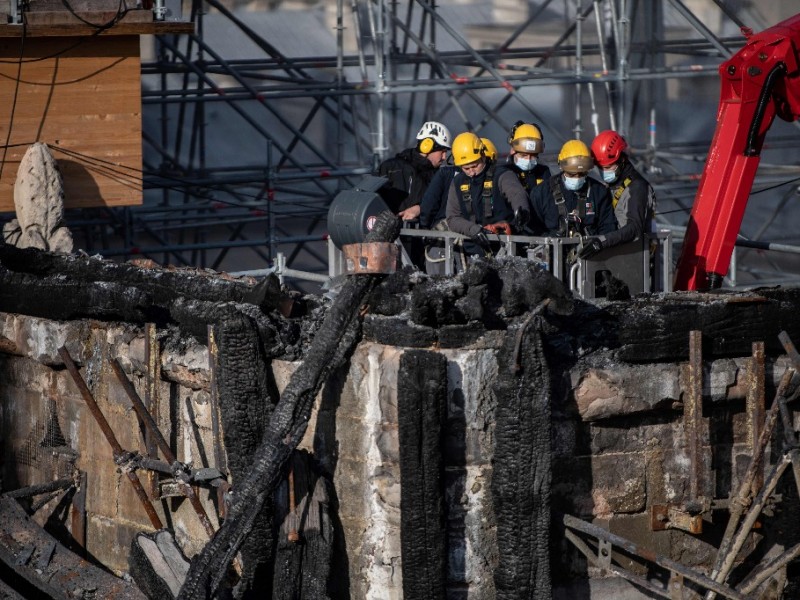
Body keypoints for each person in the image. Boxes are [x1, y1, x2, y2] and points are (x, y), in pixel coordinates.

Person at [445, 132, 530, 260]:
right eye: (466, 168)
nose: (471, 172)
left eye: (475, 166)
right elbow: (452, 217)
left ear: (483, 156)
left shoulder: (502, 175)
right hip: (473, 252)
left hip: (506, 250)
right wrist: (473, 230)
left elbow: (516, 194)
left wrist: (522, 210)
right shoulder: (457, 183)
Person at [419, 137, 498, 274]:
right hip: (464, 242)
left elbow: (428, 206)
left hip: (445, 241)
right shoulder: (487, 180)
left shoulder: (446, 174)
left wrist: (425, 228)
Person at [578, 130, 657, 259]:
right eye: (600, 167)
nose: (604, 172)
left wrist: (602, 242)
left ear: (621, 159)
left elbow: (634, 228)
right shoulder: (611, 186)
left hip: (635, 259)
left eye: (608, 167)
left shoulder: (637, 187)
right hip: (614, 257)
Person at [529, 139, 616, 239]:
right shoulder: (541, 193)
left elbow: (608, 227)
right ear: (561, 167)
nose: (577, 178)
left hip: (590, 252)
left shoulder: (599, 192)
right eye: (572, 174)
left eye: (582, 174)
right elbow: (532, 230)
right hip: (550, 251)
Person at [375, 120, 452, 218]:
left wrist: (421, 209)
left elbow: (447, 207)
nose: (444, 157)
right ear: (427, 146)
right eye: (442, 152)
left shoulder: (441, 176)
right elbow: (369, 199)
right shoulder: (390, 168)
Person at [501, 121, 551, 195]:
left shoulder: (543, 172)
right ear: (512, 150)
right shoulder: (503, 173)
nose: (528, 160)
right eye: (523, 155)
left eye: (533, 155)